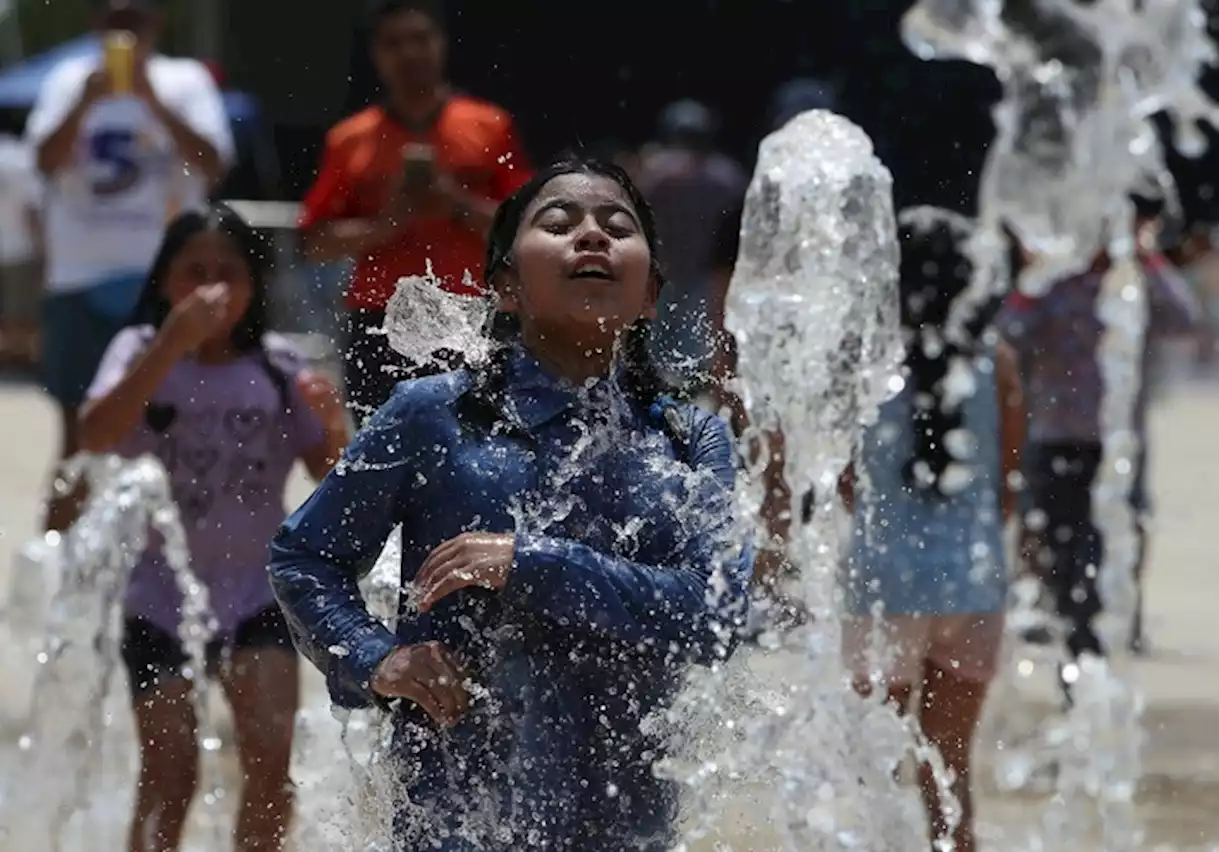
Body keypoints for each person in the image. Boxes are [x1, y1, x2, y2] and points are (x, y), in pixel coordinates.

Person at [270, 158, 753, 850]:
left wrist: (535, 562)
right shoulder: (433, 415)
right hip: (457, 821)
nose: (592, 236)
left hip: (624, 825)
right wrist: (376, 659)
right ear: (503, 288)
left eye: (618, 227)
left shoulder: (688, 437)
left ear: (650, 294)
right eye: (558, 223)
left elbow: (717, 612)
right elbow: (304, 556)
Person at [79, 204, 349, 852]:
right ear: (163, 282)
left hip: (258, 596)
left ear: (253, 286)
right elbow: (94, 433)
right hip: (158, 596)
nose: (209, 287)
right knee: (170, 773)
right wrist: (172, 341)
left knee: (270, 766)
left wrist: (335, 425)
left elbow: (330, 479)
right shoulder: (138, 351)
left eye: (227, 273)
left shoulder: (279, 367)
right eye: (192, 271)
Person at [839, 217, 1024, 852]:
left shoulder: (864, 362)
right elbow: (1006, 485)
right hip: (971, 581)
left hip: (881, 582)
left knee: (871, 767)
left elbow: (842, 481)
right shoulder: (996, 360)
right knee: (949, 770)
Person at [26, 0, 234, 532]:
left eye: (134, 19)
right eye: (113, 19)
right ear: (94, 23)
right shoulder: (69, 78)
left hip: (165, 281)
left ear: (157, 22)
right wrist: (85, 103)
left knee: (178, 432)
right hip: (78, 280)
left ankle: (166, 575)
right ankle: (58, 577)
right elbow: (44, 164)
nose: (124, 30)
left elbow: (213, 166)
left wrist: (151, 99)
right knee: (77, 438)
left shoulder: (183, 79)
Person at [298, 0, 533, 424]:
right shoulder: (349, 139)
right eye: (394, 43)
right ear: (376, 54)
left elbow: (527, 226)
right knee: (384, 464)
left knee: (484, 458)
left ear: (441, 44)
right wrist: (390, 220)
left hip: (472, 315)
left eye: (420, 39)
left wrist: (455, 202)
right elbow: (314, 244)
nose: (409, 53)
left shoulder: (489, 126)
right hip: (380, 323)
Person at [997, 195, 1201, 671]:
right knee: (1052, 533)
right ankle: (1057, 609)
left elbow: (1185, 317)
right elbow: (1008, 330)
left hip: (1117, 440)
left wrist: (1146, 256)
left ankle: (1118, 615)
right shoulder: (1056, 283)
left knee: (1125, 526)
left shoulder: (1134, 286)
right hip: (1054, 436)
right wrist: (1033, 275)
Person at [634, 100, 747, 391]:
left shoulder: (657, 172)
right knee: (701, 343)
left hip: (665, 269)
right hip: (709, 273)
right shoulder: (727, 177)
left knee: (659, 343)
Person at [0, 134, 42, 370]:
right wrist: (42, 249)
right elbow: (31, 208)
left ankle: (12, 356)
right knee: (22, 311)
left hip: (14, 247)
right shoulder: (20, 158)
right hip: (19, 249)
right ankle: (20, 357)